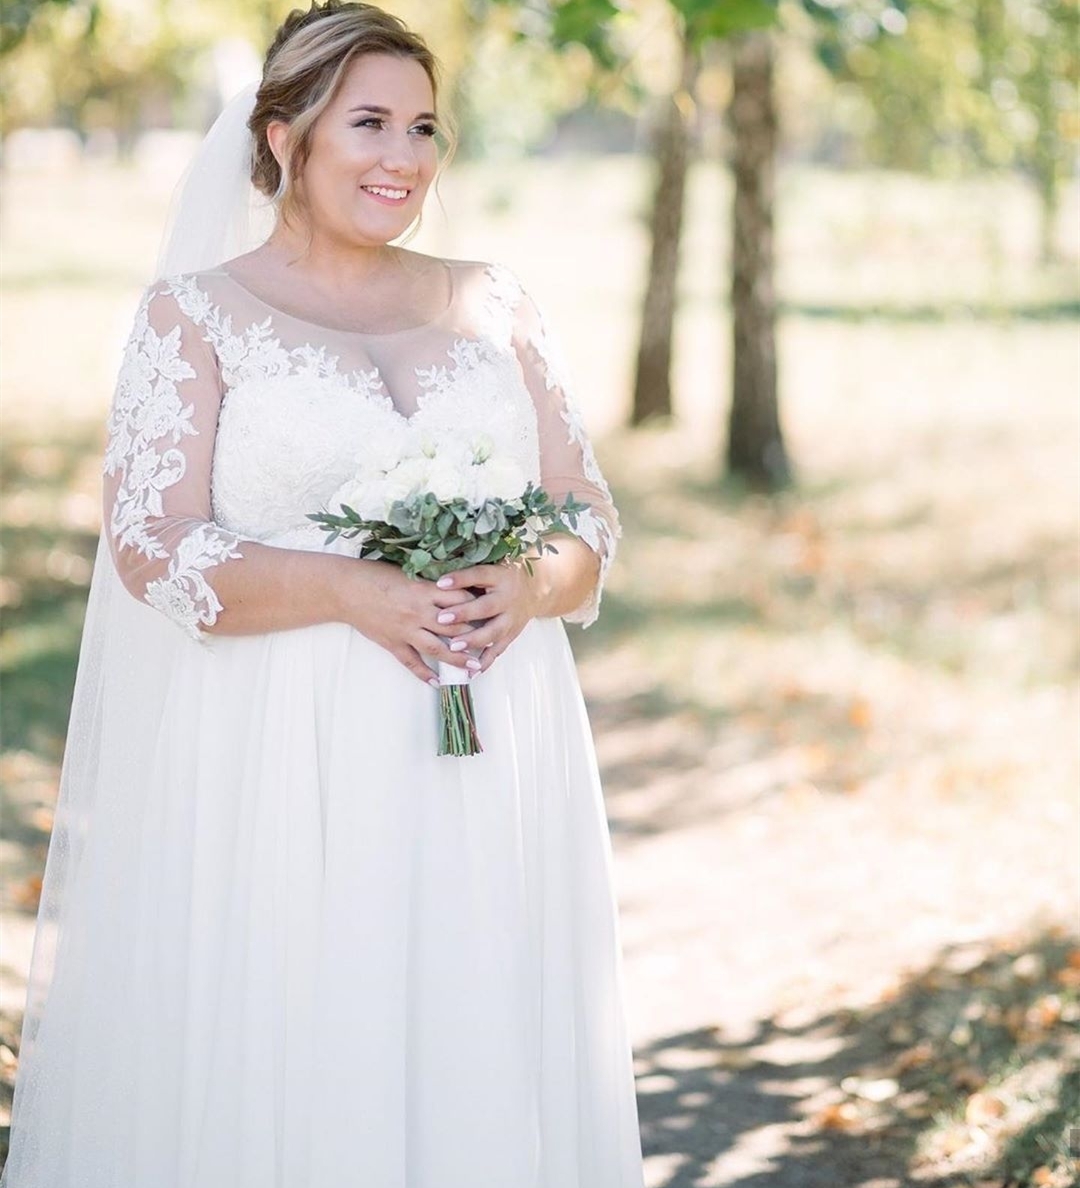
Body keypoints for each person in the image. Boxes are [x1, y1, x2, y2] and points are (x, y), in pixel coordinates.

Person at [1, 3, 645, 1185]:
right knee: (306, 1026)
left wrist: (532, 581)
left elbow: (586, 514)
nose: (403, 157)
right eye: (370, 123)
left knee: (477, 1019)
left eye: (424, 127)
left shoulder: (491, 300)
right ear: (285, 136)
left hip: (496, 745)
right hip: (280, 754)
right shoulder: (192, 316)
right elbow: (152, 544)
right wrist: (348, 591)